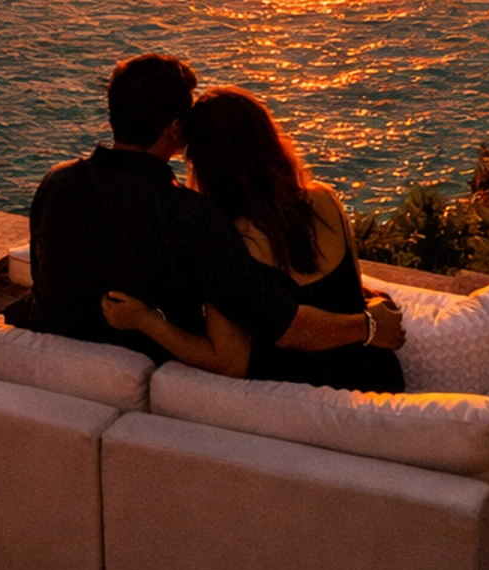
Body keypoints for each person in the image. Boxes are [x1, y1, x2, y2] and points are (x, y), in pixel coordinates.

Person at [26, 53, 403, 371]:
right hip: (154, 368)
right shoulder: (193, 219)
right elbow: (271, 331)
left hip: (54, 369)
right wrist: (368, 326)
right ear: (174, 130)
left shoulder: (57, 182)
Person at [102, 84, 405, 393]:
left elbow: (226, 359)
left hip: (305, 390)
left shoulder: (228, 237)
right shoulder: (326, 200)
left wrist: (143, 319)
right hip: (376, 373)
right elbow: (350, 291)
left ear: (205, 163)